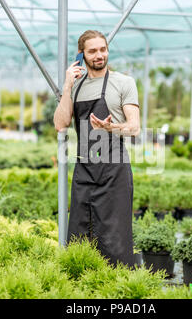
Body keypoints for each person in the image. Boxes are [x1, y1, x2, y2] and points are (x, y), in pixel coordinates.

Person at [53, 30, 140, 267]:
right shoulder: (76, 86)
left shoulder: (124, 82)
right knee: (80, 235)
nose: (99, 55)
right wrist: (67, 86)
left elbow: (134, 128)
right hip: (84, 171)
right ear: (81, 55)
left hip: (114, 171)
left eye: (103, 49)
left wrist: (111, 128)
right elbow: (60, 124)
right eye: (92, 51)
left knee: (115, 239)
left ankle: (117, 289)